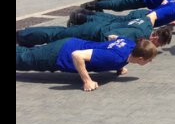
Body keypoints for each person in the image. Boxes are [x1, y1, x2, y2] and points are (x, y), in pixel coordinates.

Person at [16, 37, 159, 92]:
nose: (150, 61)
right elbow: (77, 55)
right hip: (60, 54)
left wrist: (119, 67)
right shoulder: (115, 58)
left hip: (69, 42)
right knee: (22, 60)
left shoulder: (130, 44)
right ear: (140, 58)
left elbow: (112, 38)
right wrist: (87, 81)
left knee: (27, 52)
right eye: (149, 59)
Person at [17, 17, 173, 48]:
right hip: (91, 33)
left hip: (96, 28)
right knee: (55, 35)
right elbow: (112, 38)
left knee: (58, 33)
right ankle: (21, 36)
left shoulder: (145, 27)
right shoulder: (138, 37)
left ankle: (25, 37)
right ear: (154, 36)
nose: (156, 47)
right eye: (158, 44)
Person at [68, 1, 175, 29]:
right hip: (140, 17)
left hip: (143, 15)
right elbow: (154, 16)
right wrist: (147, 31)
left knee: (113, 20)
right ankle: (82, 16)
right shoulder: (174, 11)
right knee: (113, 21)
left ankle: (85, 15)